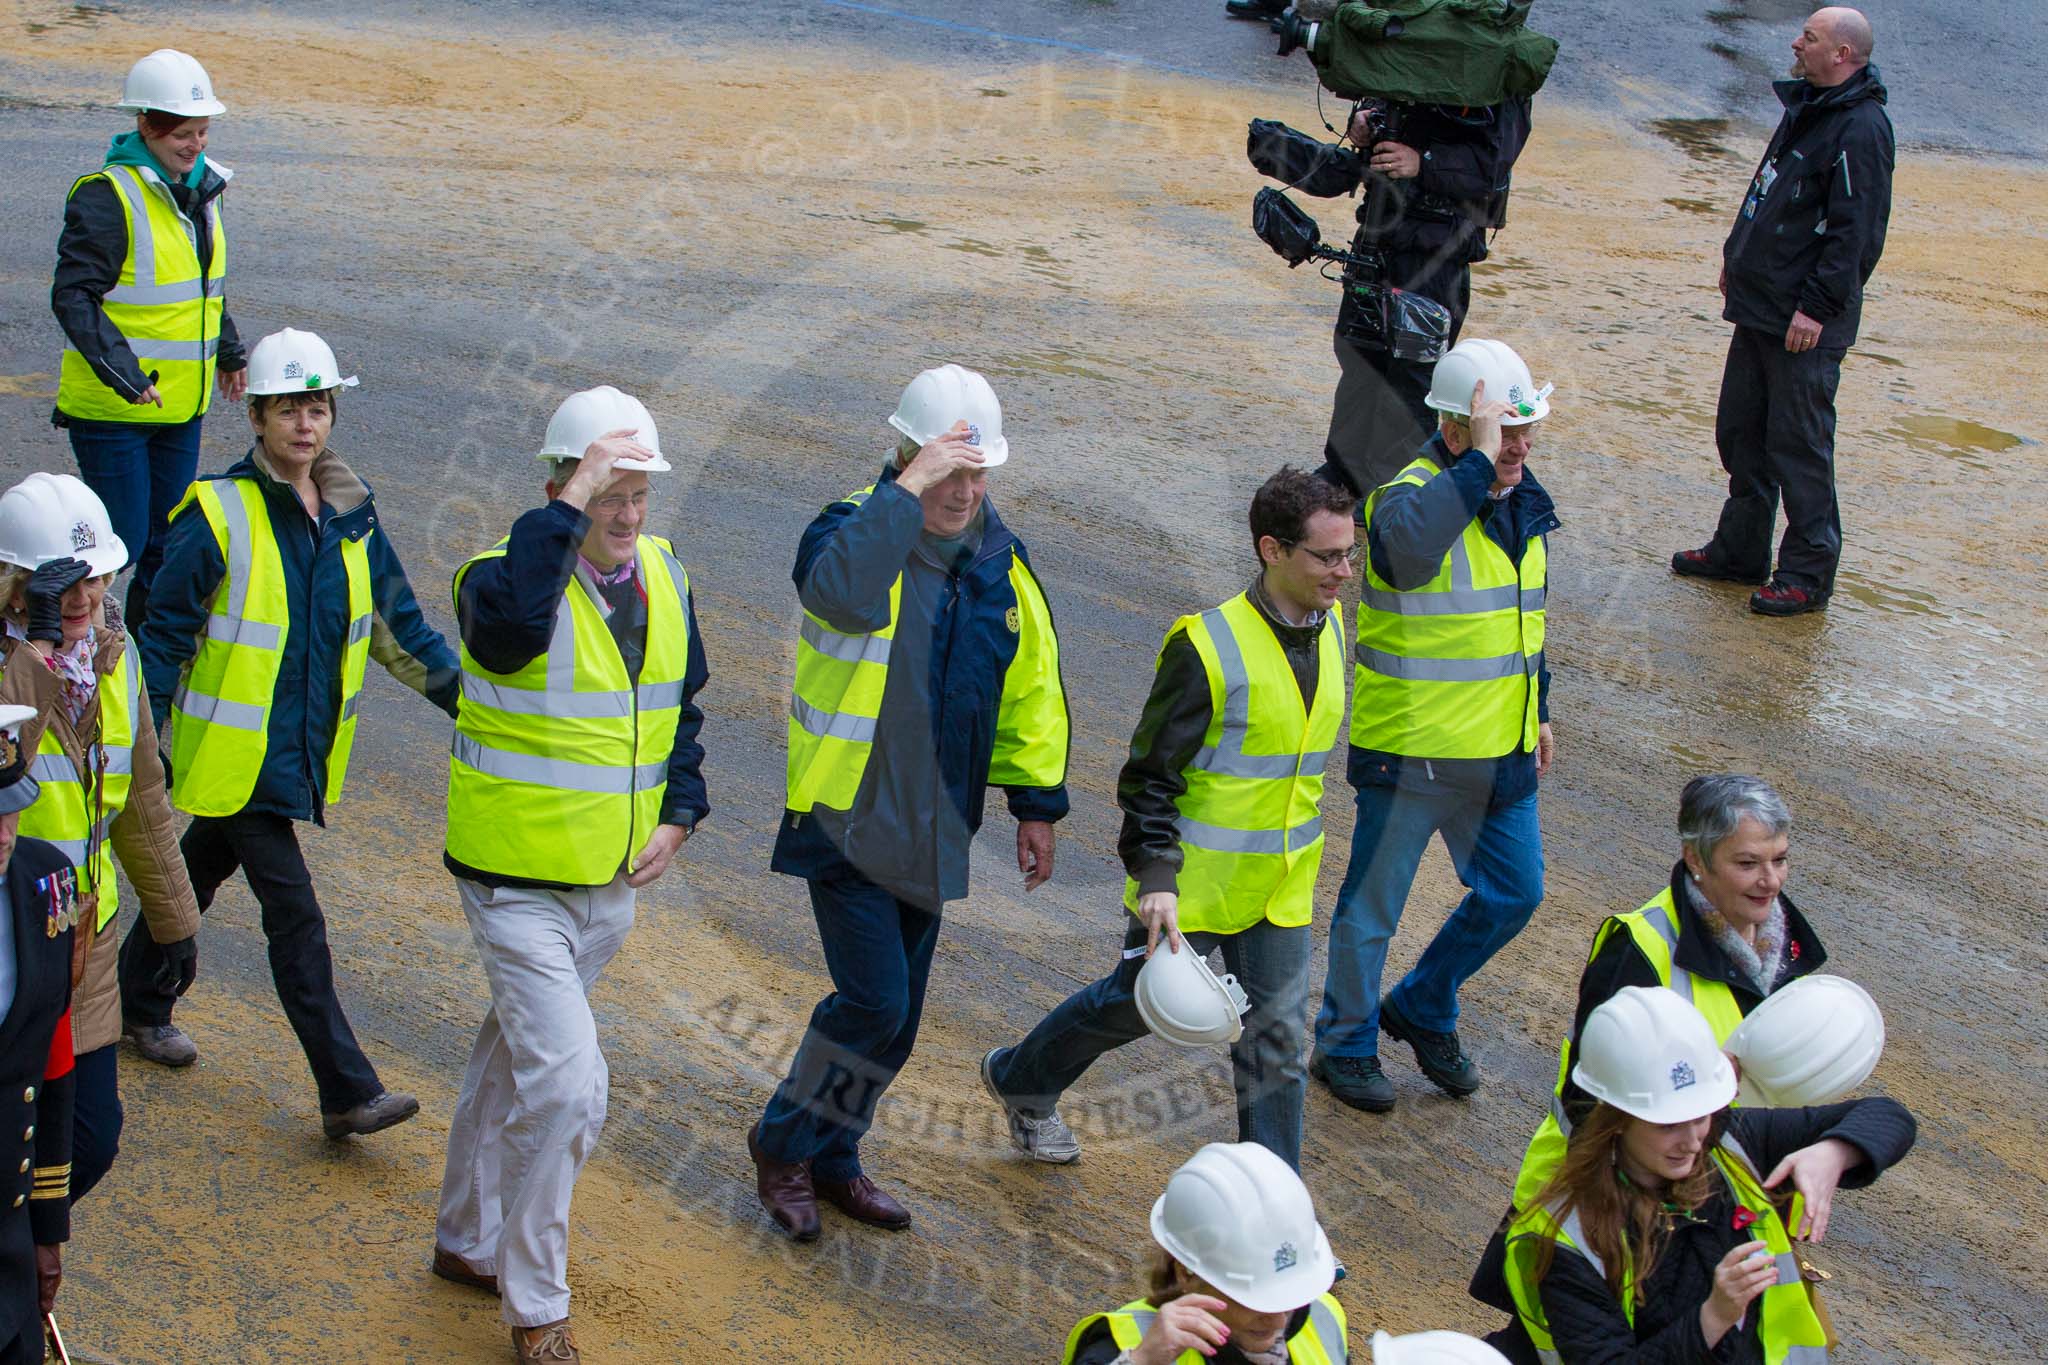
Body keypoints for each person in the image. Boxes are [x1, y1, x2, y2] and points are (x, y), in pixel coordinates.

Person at [749, 363, 1070, 1242]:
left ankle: (837, 1155)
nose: (965, 492)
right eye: (947, 472)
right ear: (904, 458)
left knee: (900, 1021)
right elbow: (837, 592)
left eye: (979, 473)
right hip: (846, 816)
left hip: (935, 827)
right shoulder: (851, 527)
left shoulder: (1001, 559)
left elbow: (1030, 686)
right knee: (873, 1003)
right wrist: (907, 489)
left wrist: (1034, 803)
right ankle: (781, 1145)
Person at [121, 328, 455, 1140]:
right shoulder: (217, 513)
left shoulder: (350, 515)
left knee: (192, 876)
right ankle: (345, 1088)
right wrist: (134, 741)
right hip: (231, 759)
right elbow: (162, 633)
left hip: (292, 758)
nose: (305, 423)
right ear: (259, 417)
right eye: (287, 408)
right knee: (296, 915)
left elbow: (398, 630)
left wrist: (480, 706)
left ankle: (136, 1001)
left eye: (317, 406)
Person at [434, 385, 708, 1365]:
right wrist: (564, 510)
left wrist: (680, 814)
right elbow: (505, 638)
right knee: (570, 1091)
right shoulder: (498, 581)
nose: (627, 514)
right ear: (561, 487)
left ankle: (464, 1236)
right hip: (513, 887)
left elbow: (685, 712)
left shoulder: (668, 580)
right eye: (606, 493)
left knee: (513, 1061)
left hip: (608, 889)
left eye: (638, 493)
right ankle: (534, 1302)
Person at [984, 467, 1354, 1172]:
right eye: (1328, 556)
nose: (1344, 571)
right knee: (1129, 1007)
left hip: (1281, 889)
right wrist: (1155, 873)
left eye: (1348, 553)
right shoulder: (1205, 648)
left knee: (1275, 1042)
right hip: (1191, 891)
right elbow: (1150, 776)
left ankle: (1273, 1214)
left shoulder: (1331, 626)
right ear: (1272, 549)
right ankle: (1021, 1081)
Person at [1312, 338, 1555, 1113]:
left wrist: (1538, 709)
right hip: (1414, 753)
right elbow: (1410, 554)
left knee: (1516, 893)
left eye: (1524, 430)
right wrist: (1479, 466)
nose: (1517, 445)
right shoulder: (1403, 498)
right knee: (1371, 909)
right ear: (1456, 430)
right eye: (1500, 430)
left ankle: (1422, 1002)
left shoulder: (1522, 502)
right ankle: (1344, 1042)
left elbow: (1525, 622)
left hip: (1501, 753)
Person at [1474, 986, 1914, 1364]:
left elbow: (1888, 1115)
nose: (1692, 1139)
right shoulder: (1564, 1241)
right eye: (1668, 1123)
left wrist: (1833, 1152)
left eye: (1701, 1114)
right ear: (1618, 1120)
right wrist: (1713, 1317)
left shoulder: (1729, 1142)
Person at [0, 473, 199, 1204]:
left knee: (87, 1139)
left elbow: (142, 795)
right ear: (15, 584)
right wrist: (41, 651)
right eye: (55, 583)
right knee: (19, 1151)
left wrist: (175, 921)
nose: (82, 597)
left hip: (86, 942)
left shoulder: (116, 657)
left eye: (91, 576)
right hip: (9, 946)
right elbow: (4, 763)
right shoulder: (13, 663)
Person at [1510, 775, 1827, 1212]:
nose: (1771, 881)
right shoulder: (1638, 948)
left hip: (1723, 1201)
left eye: (1780, 859)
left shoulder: (1786, 946)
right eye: (1748, 864)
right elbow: (1589, 1103)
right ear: (1696, 858)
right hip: (1602, 1205)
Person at [1671, 7, 1893, 617]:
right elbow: (1768, 189)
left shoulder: (1862, 128)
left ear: (1843, 54)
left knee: (1799, 446)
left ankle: (1807, 574)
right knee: (1742, 433)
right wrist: (1735, 256)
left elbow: (1858, 234)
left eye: (1811, 38)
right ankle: (1741, 550)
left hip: (1803, 323)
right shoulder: (1809, 108)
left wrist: (1817, 309)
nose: (1797, 44)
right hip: (1762, 307)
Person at [50, 48, 246, 632]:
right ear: (146, 126)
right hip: (113, 408)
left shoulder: (201, 191)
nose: (193, 145)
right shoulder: (107, 194)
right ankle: (43, 633)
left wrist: (230, 352)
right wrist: (125, 374)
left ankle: (133, 660)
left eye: (201, 132)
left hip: (180, 407)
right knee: (124, 543)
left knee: (167, 544)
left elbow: (201, 288)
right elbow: (73, 296)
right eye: (181, 134)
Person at [1283, 93, 1531, 499]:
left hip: (1437, 254)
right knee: (1359, 355)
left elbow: (1493, 166)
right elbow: (1380, 105)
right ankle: (1344, 472)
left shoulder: (1494, 73)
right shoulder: (1408, 50)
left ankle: (1394, 488)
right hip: (1377, 237)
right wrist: (1363, 122)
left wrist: (1424, 162)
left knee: (1411, 379)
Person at [1061, 1141, 1345, 1364]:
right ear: (1186, 1272)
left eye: (1288, 1297)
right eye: (1256, 1301)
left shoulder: (1322, 1316)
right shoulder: (1124, 1346)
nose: (1278, 1320)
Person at [0, 703, 83, 1365]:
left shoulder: (46, 883)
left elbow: (51, 1067)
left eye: (12, 808)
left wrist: (47, 1228)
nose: (5, 831)